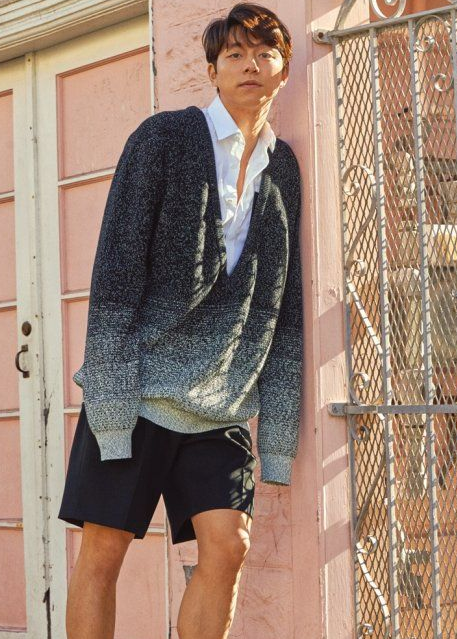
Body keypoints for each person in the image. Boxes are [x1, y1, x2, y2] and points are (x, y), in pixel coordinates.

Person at [58, 3, 304, 638]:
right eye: (235, 54)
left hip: (221, 404)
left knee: (229, 546)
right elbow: (115, 276)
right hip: (138, 392)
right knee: (104, 549)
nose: (251, 65)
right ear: (212, 71)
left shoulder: (283, 169)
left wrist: (277, 439)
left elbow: (284, 308)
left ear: (283, 70)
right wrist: (112, 409)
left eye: (266, 54)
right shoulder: (163, 139)